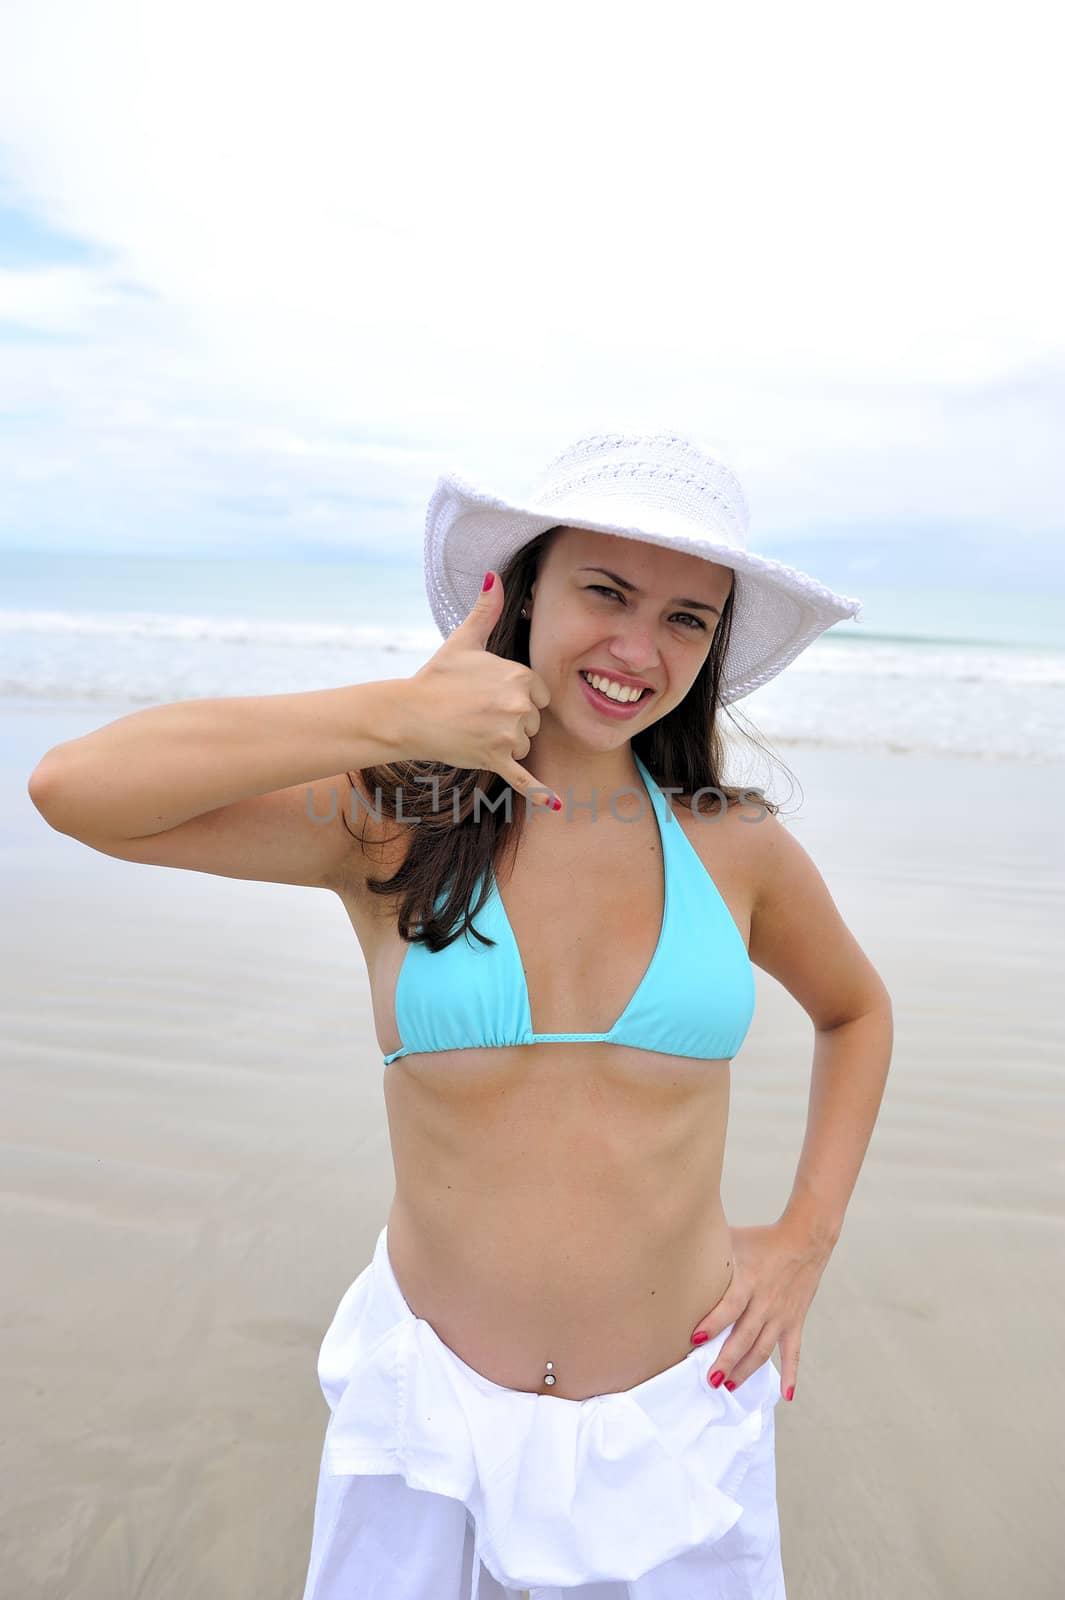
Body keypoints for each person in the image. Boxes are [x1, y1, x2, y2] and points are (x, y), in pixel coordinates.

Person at [28, 429, 894, 1600]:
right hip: (424, 1421)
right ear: (525, 592)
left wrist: (805, 1239)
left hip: (677, 1426)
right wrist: (397, 715)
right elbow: (75, 789)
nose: (640, 647)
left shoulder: (734, 844)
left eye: (689, 617)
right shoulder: (392, 821)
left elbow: (855, 1010)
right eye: (608, 590)